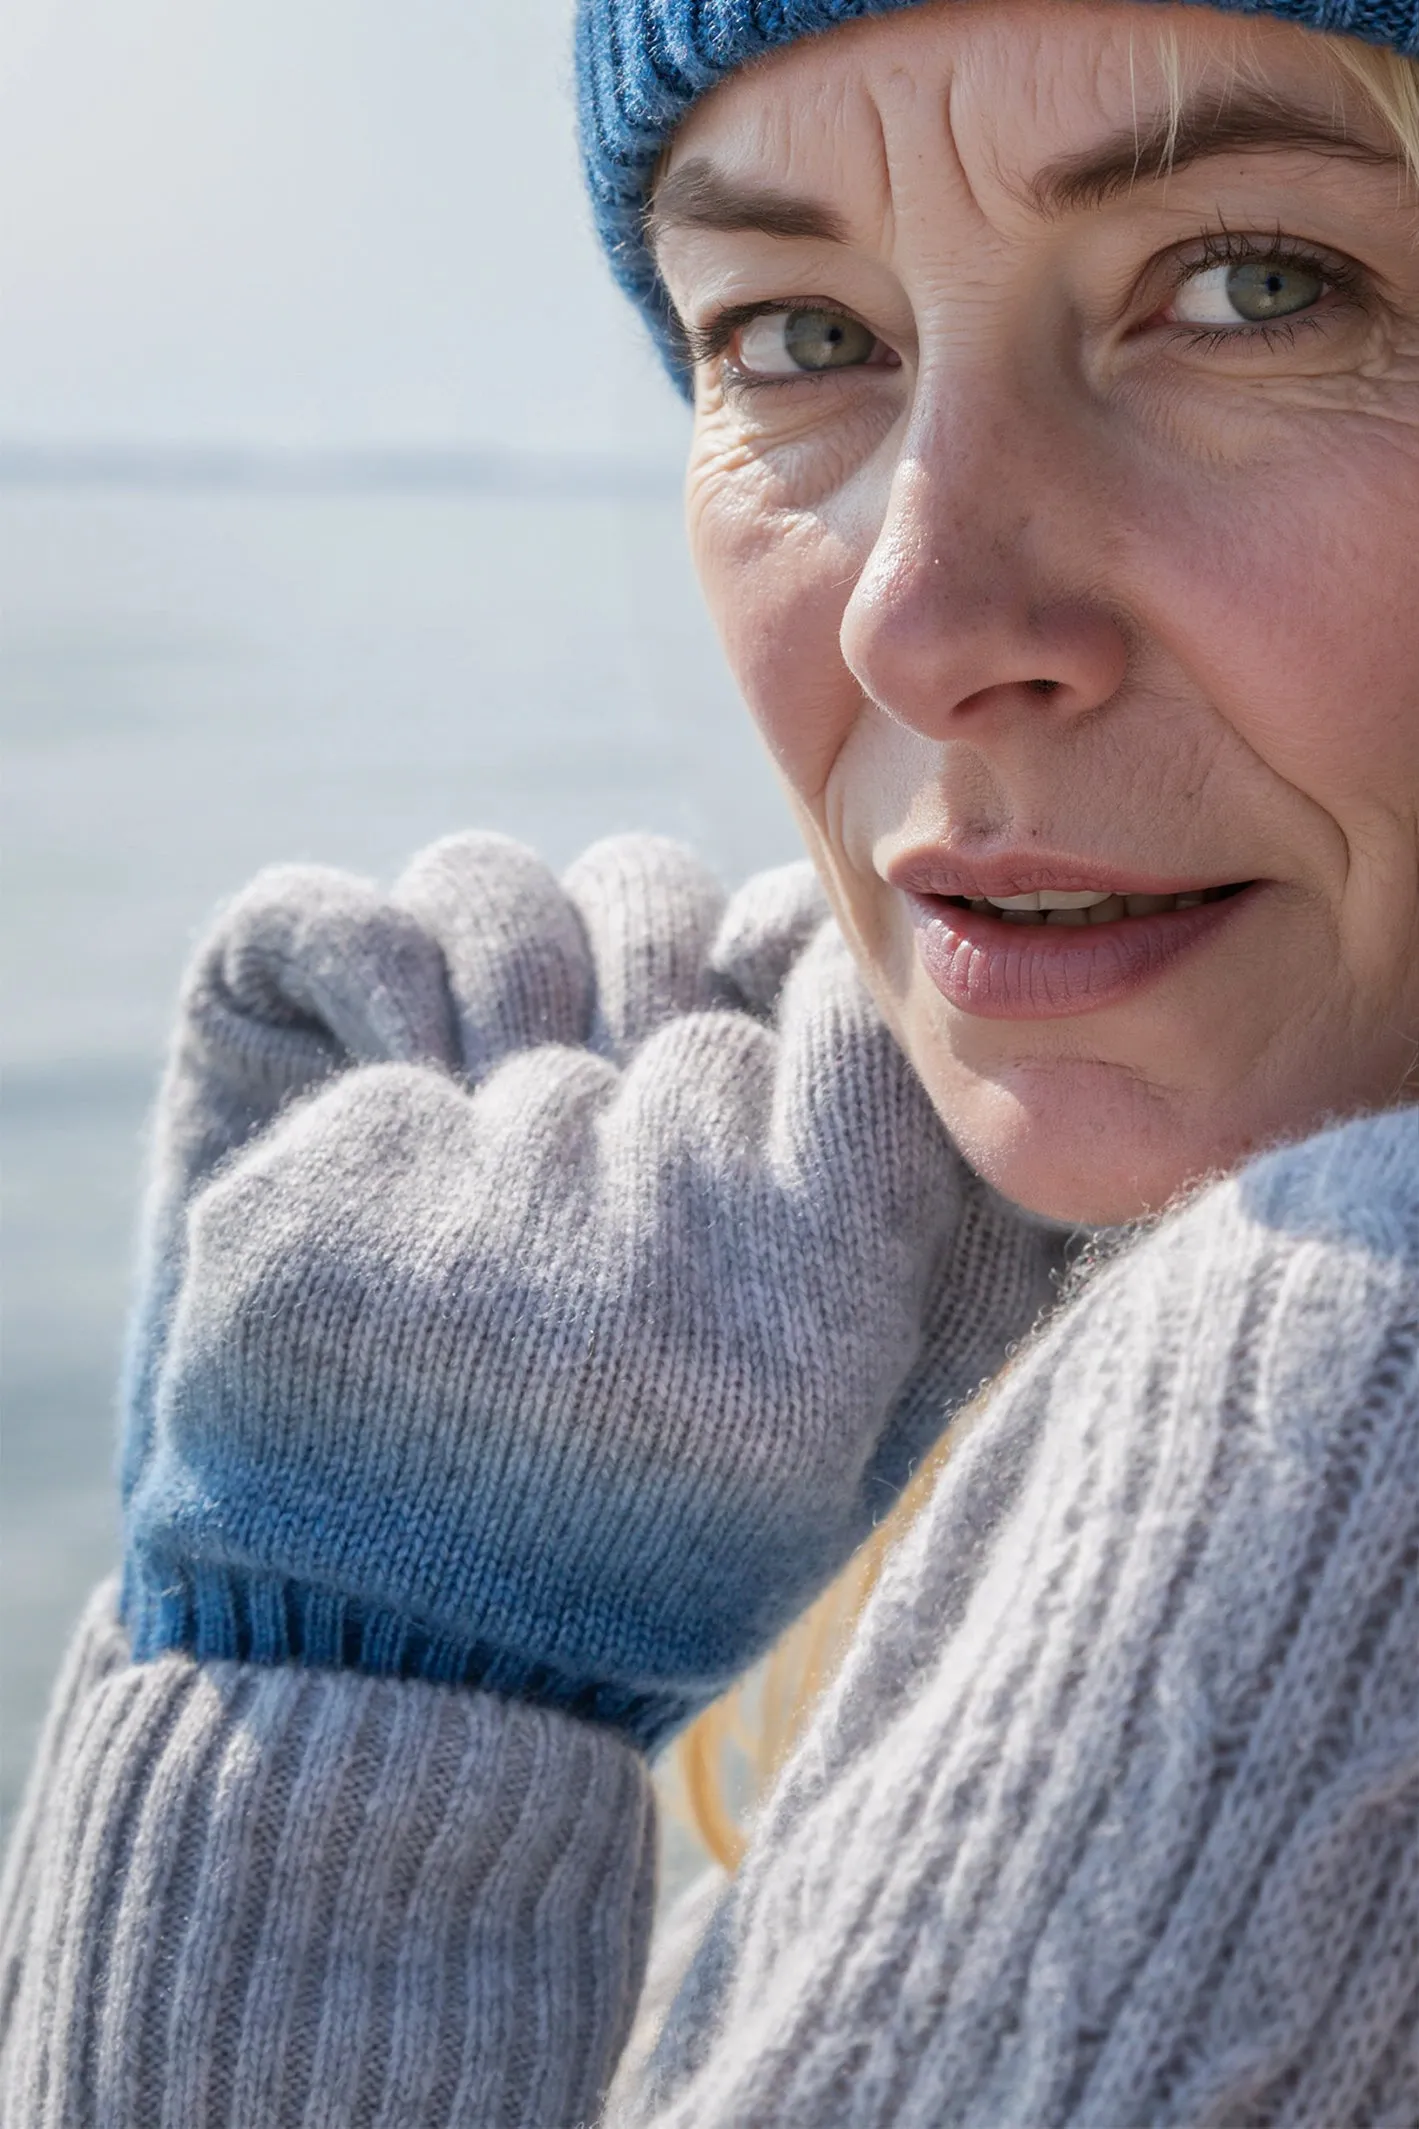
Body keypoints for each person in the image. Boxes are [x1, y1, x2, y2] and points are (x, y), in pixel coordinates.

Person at [3, 0, 1417, 2120]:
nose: (920, 621)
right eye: (791, 335)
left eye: (1252, 287)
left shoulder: (1342, 1383)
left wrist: (366, 1713)